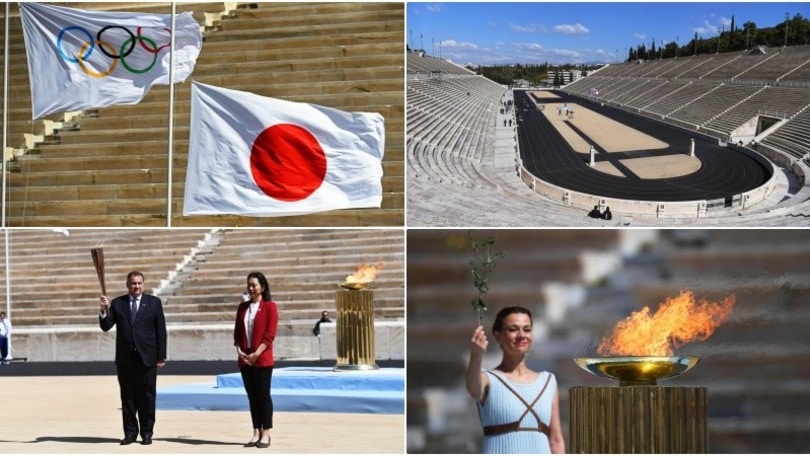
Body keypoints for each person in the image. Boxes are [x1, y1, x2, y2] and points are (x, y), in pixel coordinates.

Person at [465, 306, 565, 454]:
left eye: (527, 329)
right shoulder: (488, 379)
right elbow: (473, 390)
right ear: (497, 336)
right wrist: (476, 355)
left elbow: (556, 439)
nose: (521, 335)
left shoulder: (548, 381)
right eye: (513, 329)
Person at [99, 271, 167, 446]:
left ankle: (147, 433)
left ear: (143, 284)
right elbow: (106, 326)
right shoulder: (118, 303)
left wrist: (161, 356)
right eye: (133, 283)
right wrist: (104, 310)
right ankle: (130, 433)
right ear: (127, 285)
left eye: (139, 283)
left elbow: (160, 331)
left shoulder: (154, 303)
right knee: (128, 397)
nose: (136, 286)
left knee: (147, 396)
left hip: (147, 358)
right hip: (126, 359)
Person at [233, 272, 279, 448]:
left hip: (262, 359)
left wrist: (256, 354)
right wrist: (240, 351)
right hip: (245, 359)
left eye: (254, 285)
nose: (251, 288)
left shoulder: (270, 307)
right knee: (252, 397)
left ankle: (266, 432)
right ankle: (256, 431)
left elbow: (269, 335)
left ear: (263, 287)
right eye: (249, 285)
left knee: (263, 396)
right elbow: (237, 333)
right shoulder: (242, 307)